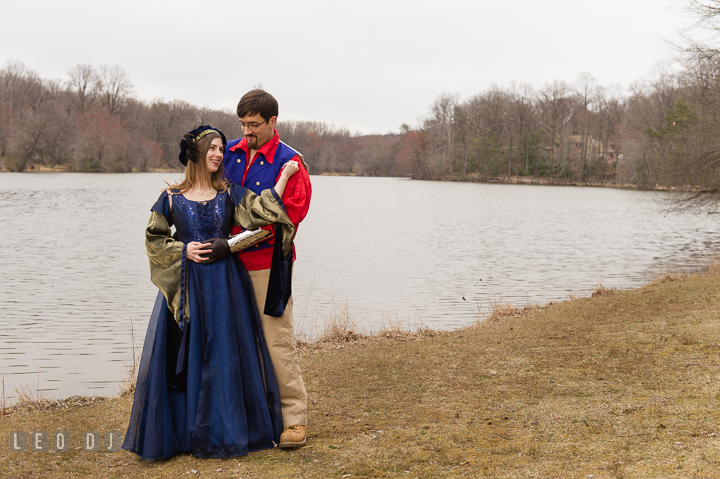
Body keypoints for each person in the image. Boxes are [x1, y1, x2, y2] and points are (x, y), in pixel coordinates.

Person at [122, 125, 300, 460]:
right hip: (188, 285)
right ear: (196, 155)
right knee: (189, 354)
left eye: (221, 148)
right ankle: (185, 433)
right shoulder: (170, 199)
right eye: (212, 148)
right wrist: (182, 251)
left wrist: (284, 176)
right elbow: (154, 240)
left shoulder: (230, 194)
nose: (219, 154)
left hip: (226, 284)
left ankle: (226, 429)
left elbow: (263, 211)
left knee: (224, 352)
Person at [223, 89, 312, 448]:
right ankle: (241, 417)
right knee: (230, 342)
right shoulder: (226, 153)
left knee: (277, 342)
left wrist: (237, 237)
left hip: (269, 267)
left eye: (254, 125)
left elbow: (287, 218)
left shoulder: (293, 163)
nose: (247, 132)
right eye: (242, 124)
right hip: (226, 266)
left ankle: (294, 420)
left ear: (272, 122)